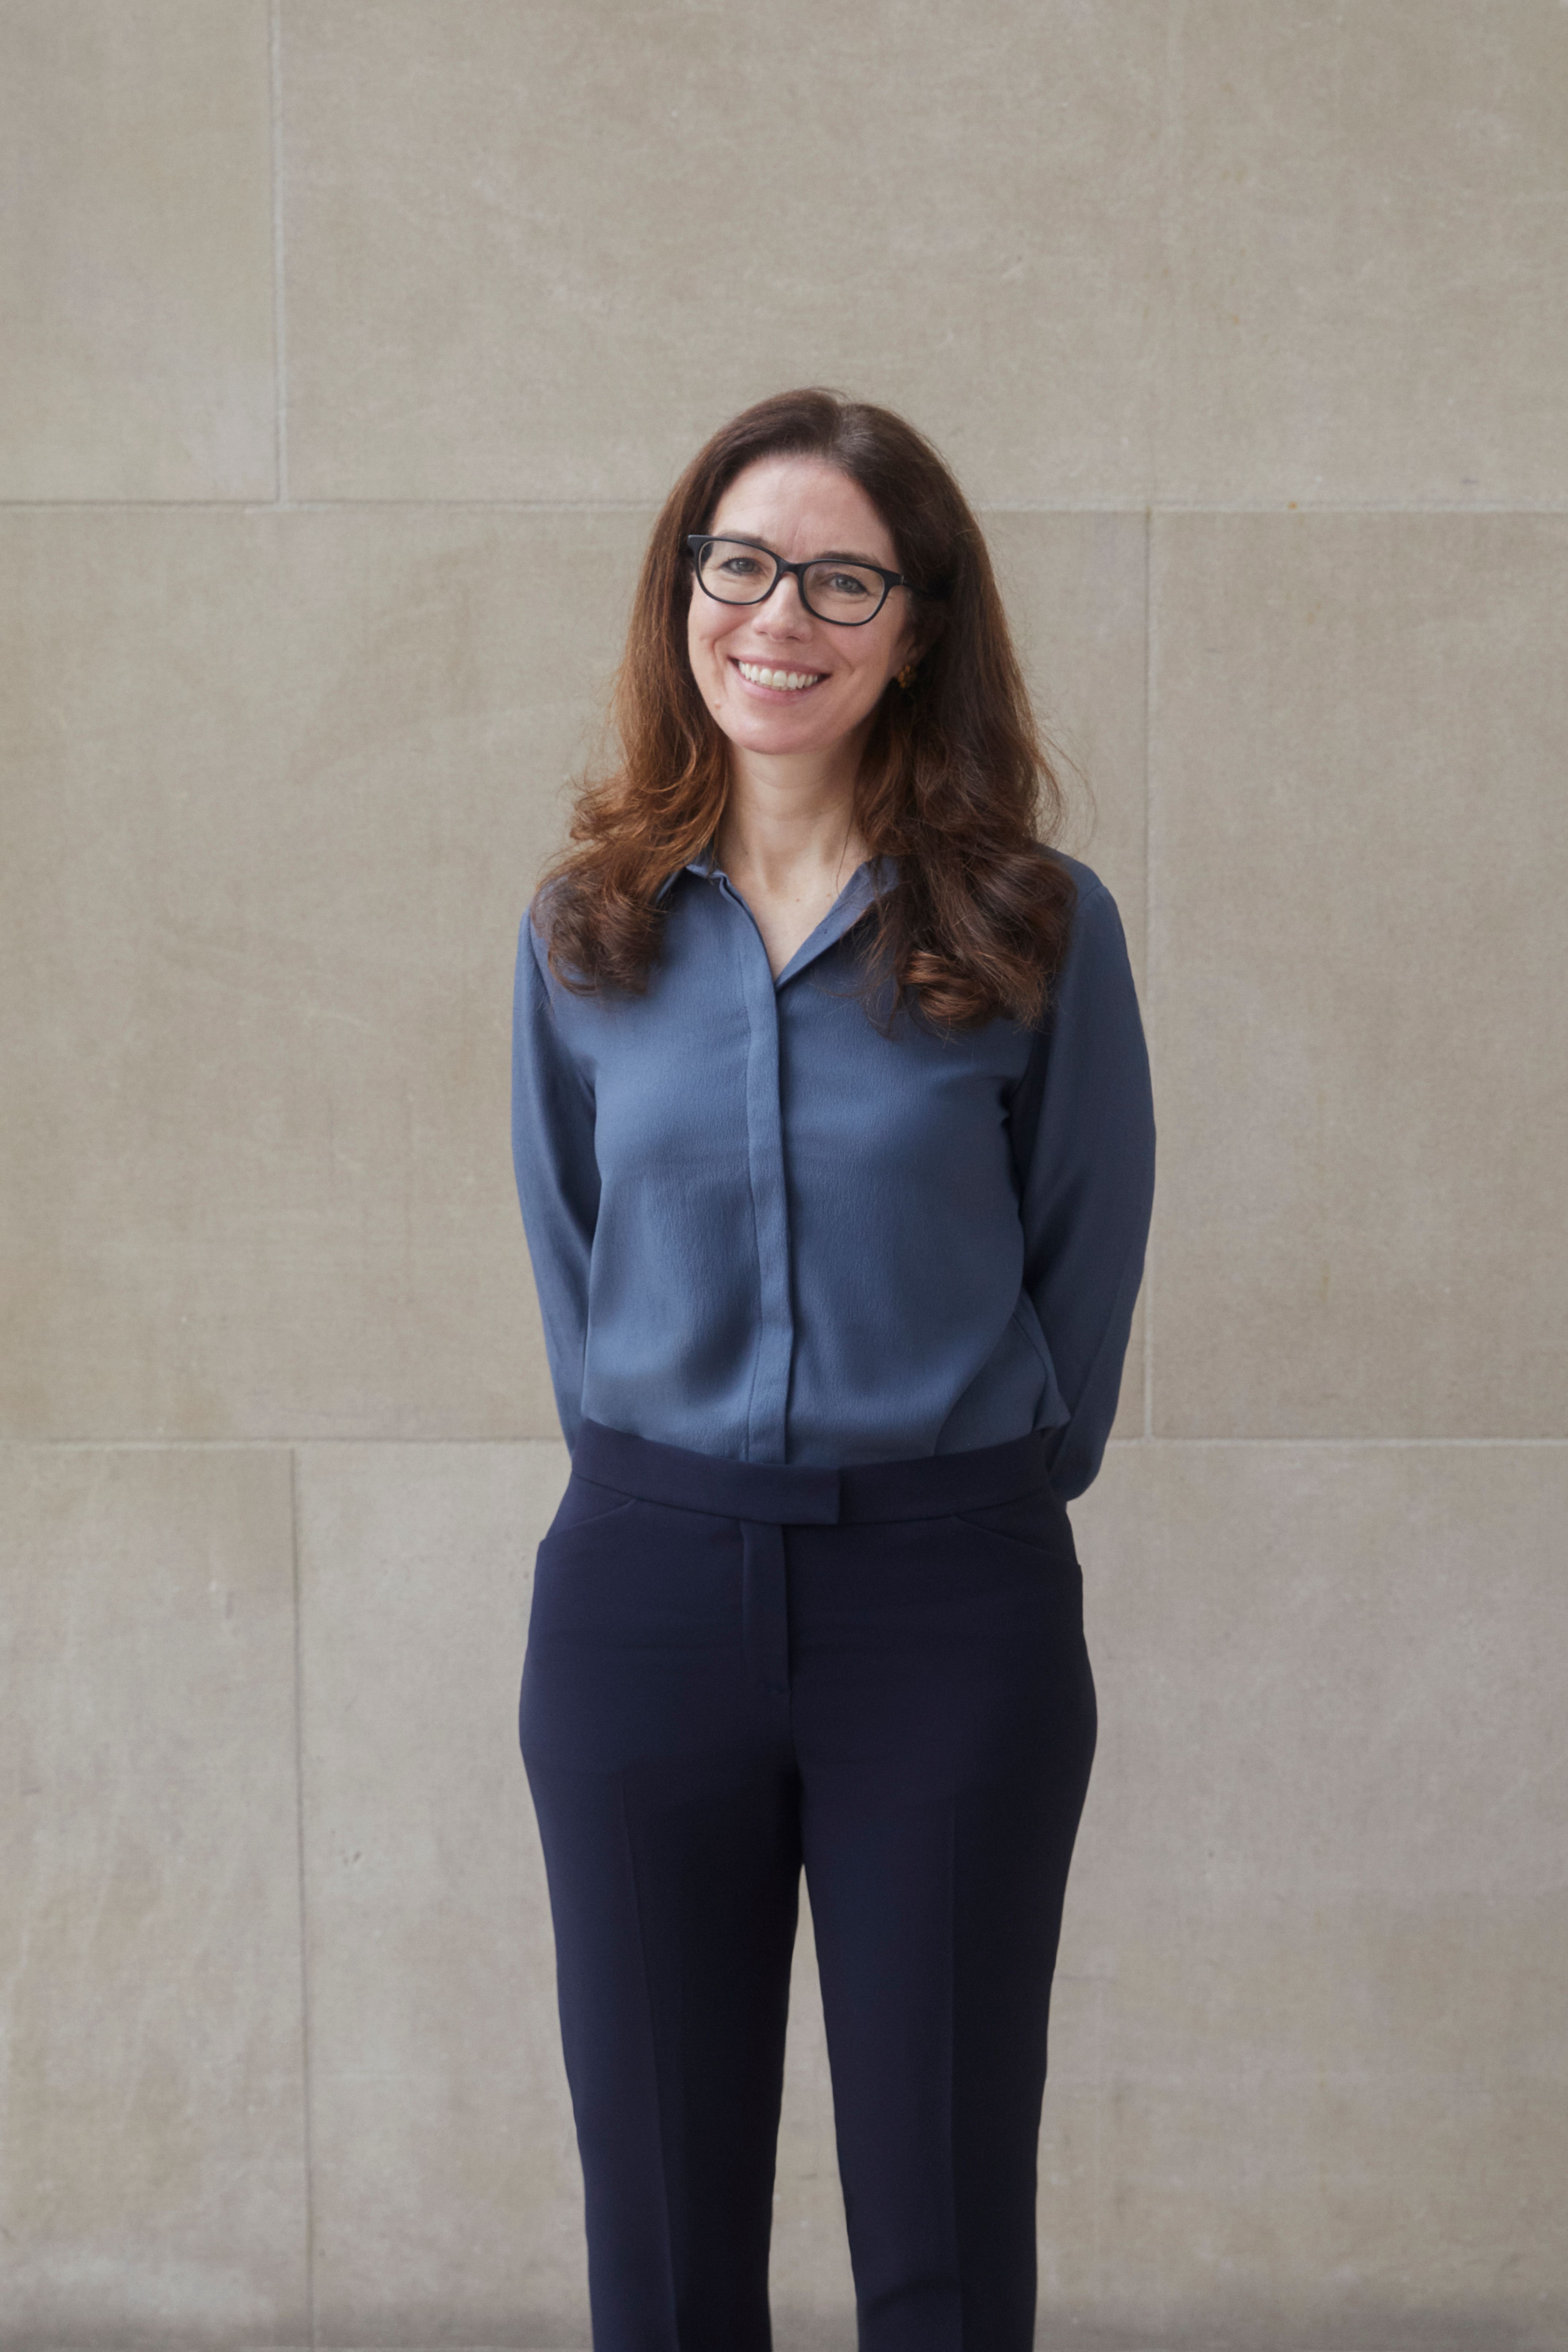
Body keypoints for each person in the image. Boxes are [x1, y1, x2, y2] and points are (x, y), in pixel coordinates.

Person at [511, 387, 1155, 2352]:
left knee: (947, 2237)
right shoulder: (586, 931)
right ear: (685, 591)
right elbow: (573, 1266)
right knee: (665, 2240)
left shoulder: (1038, 927)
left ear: (915, 627)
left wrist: (952, 1507)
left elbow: (1083, 1264)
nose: (776, 616)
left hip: (948, 1608)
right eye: (741, 563)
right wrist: (672, 1491)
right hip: (640, 1599)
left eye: (840, 579)